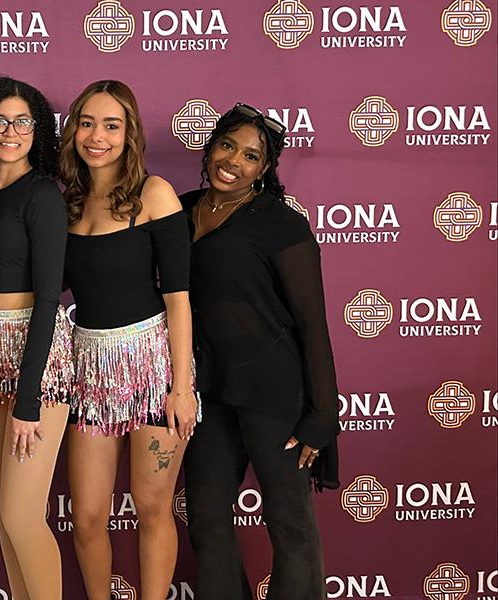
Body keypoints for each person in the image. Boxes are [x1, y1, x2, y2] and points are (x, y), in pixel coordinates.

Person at [180, 103, 340, 600]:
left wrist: (322, 413)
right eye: (228, 145)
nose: (234, 161)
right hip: (207, 391)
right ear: (210, 147)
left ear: (265, 169)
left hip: (274, 393)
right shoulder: (178, 210)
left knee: (289, 523)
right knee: (206, 518)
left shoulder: (280, 222)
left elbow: (313, 323)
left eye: (252, 155)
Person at [59, 80, 198, 600]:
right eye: (88, 124)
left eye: (111, 125)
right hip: (89, 371)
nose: (98, 136)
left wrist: (180, 388)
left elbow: (179, 298)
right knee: (89, 516)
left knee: (152, 506)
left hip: (153, 368)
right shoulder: (67, 204)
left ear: (129, 133)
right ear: (73, 131)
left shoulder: (154, 194)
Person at [0, 76, 72, 600]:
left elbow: (49, 297)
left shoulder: (44, 195)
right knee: (6, 516)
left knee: (25, 517)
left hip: (37, 355)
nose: (10, 131)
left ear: (38, 131)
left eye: (23, 121)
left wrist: (29, 399)